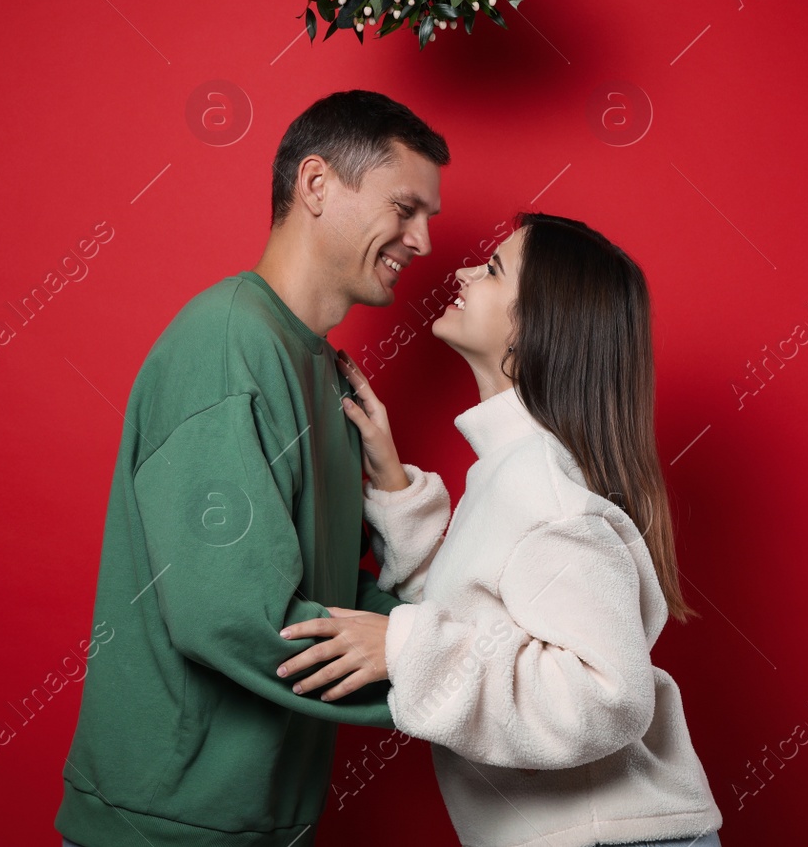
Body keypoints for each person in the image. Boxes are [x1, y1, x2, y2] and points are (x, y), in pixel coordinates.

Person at [55, 89, 450, 847]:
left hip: (264, 821)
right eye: (405, 207)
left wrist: (454, 641)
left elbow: (327, 596)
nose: (424, 240)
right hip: (172, 829)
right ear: (316, 185)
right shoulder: (228, 344)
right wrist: (456, 679)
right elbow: (235, 611)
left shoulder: (326, 371)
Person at [278, 211, 726, 847]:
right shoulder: (513, 471)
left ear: (533, 329)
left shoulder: (543, 488)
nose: (462, 272)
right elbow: (474, 610)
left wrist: (403, 649)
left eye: (491, 270)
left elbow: (610, 697)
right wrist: (394, 487)